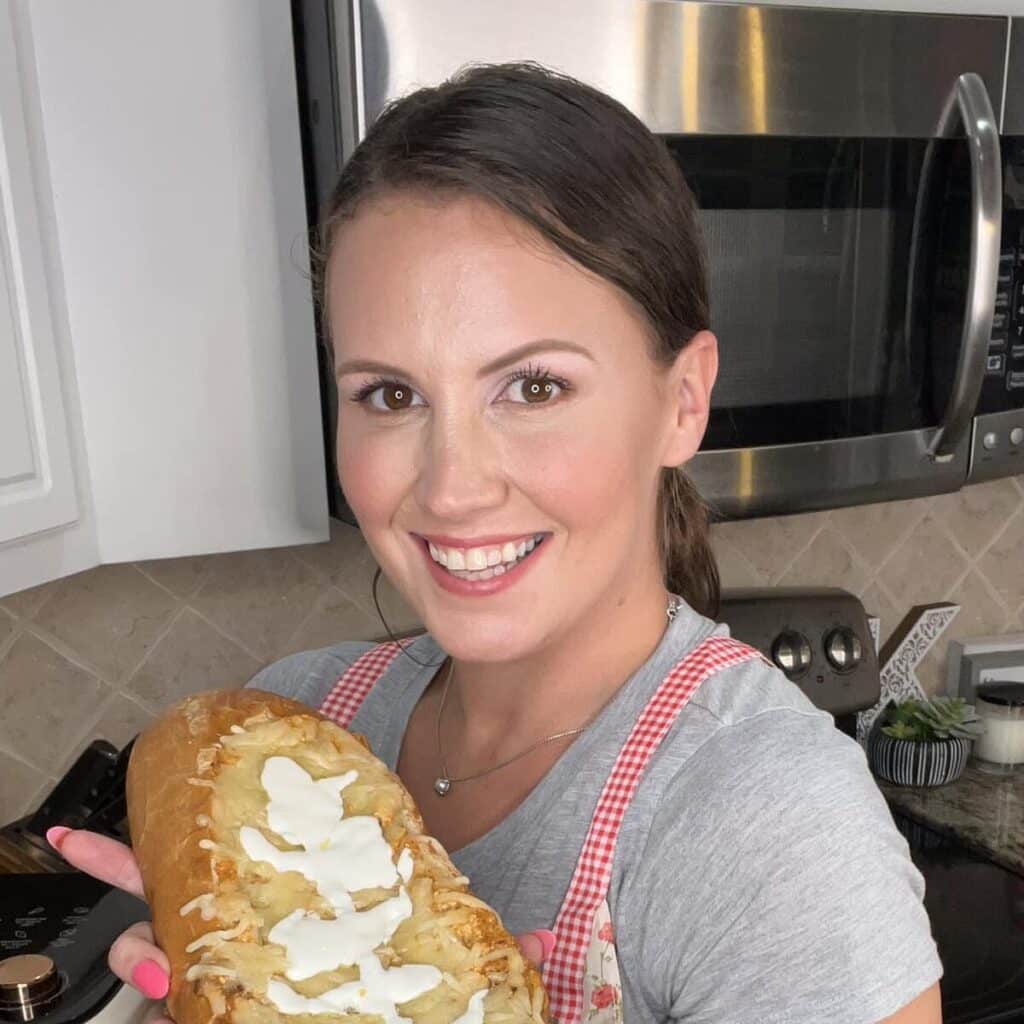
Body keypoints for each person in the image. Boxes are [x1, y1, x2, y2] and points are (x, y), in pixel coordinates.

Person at [49, 63, 943, 1024]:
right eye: (389, 396)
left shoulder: (765, 827)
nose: (451, 486)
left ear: (682, 401)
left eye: (534, 387)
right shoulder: (293, 731)